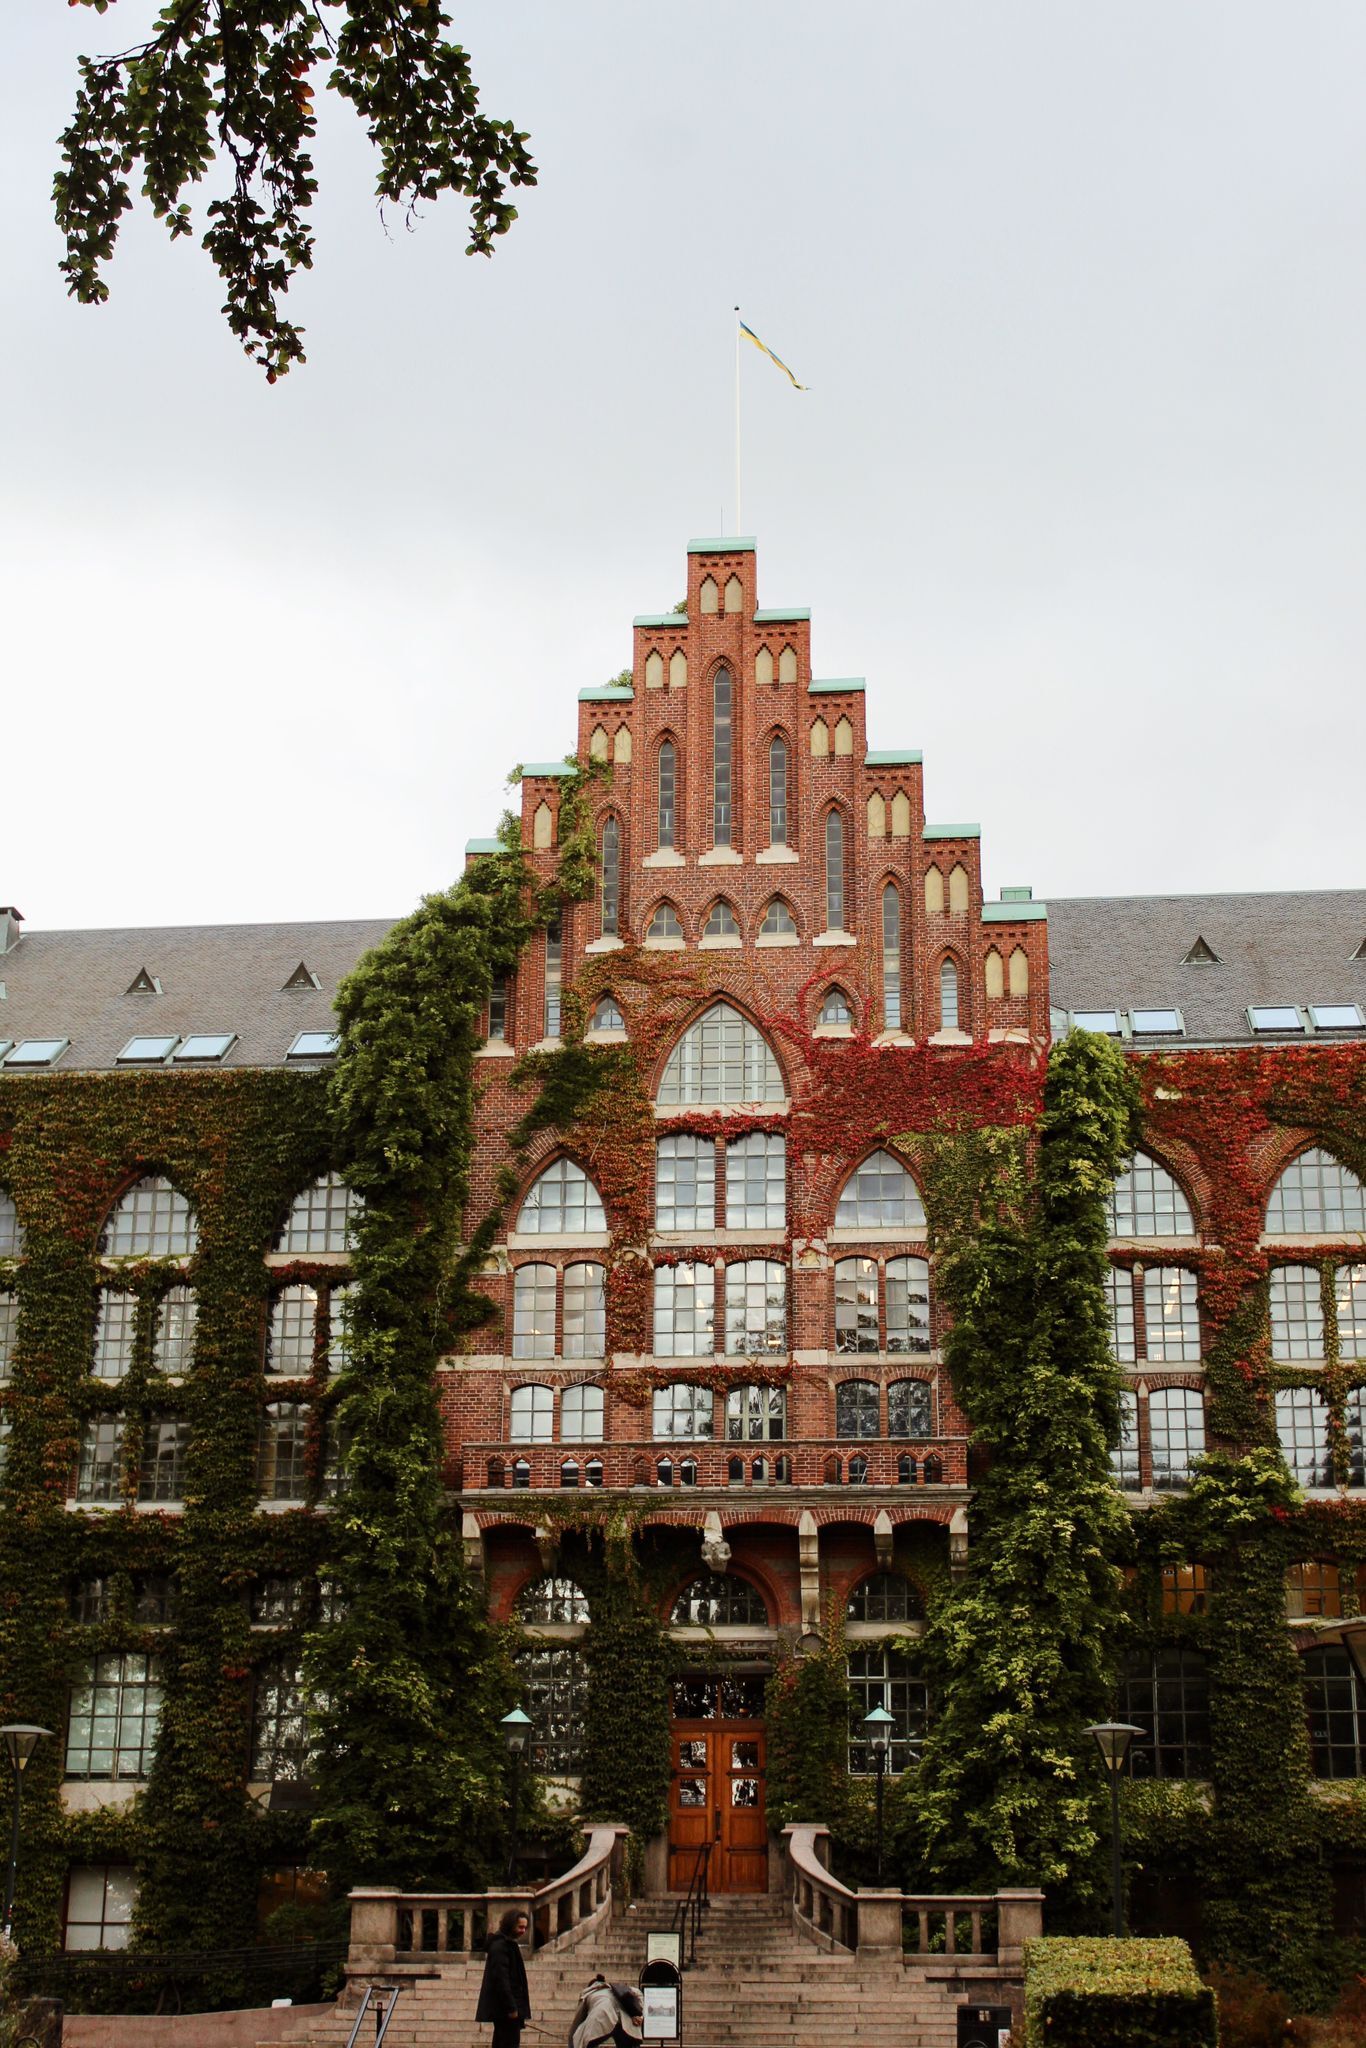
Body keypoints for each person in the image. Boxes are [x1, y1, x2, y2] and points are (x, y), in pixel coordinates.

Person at [476, 1907, 532, 2048]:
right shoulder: (500, 1946)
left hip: (507, 2009)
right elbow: (501, 1980)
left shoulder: (507, 1944)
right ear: (511, 1924)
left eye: (525, 1927)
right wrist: (511, 2008)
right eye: (520, 1927)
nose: (523, 1931)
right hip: (506, 2011)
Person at [568, 1974, 643, 2048]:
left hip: (602, 2016)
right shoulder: (616, 1989)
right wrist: (639, 2013)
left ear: (591, 1986)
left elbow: (578, 2021)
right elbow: (638, 1993)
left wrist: (572, 2043)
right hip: (626, 2022)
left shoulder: (588, 1994)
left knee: (586, 2042)